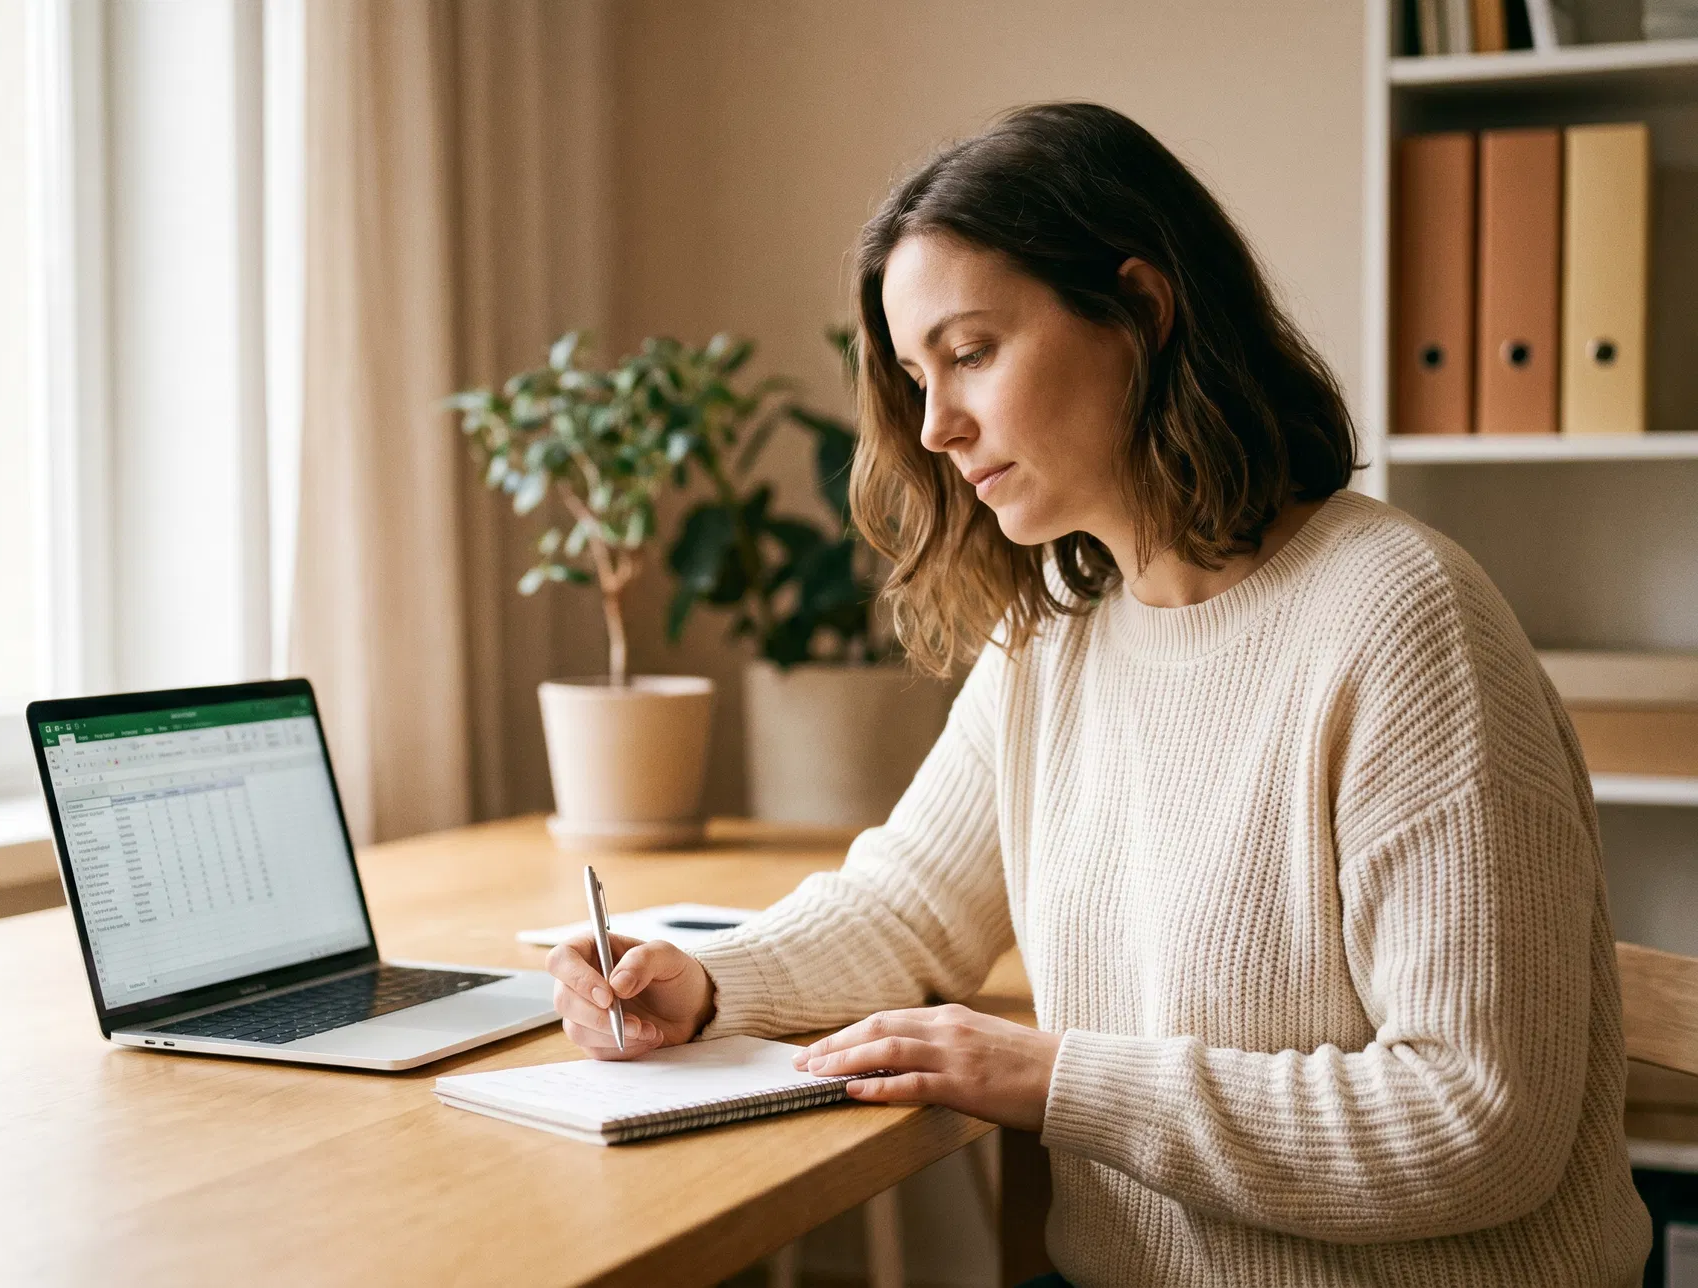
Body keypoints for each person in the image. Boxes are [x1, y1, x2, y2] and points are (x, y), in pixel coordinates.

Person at [546, 102, 1651, 1286]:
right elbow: (911, 907)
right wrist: (710, 983)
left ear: (1140, 308)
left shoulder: (1401, 619)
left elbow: (1474, 1122)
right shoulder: (1059, 633)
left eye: (971, 353)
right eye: (917, 376)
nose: (936, 427)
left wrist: (1055, 1077)